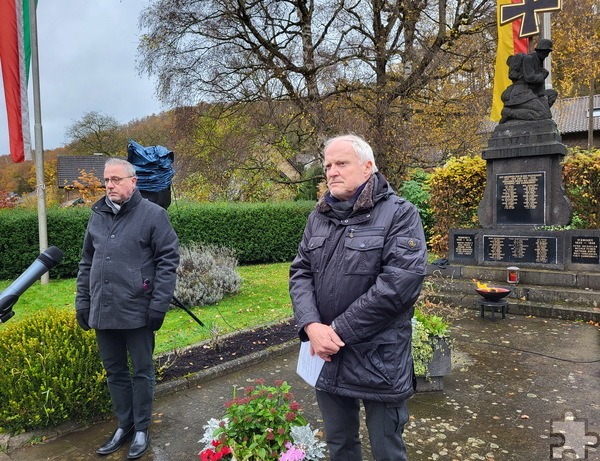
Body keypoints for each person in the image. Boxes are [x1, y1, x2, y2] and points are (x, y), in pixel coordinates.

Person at [289, 134, 427, 461]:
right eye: (327, 166)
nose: (332, 172)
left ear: (367, 168)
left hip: (378, 359)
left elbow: (400, 284)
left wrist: (335, 332)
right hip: (327, 358)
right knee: (340, 447)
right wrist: (310, 325)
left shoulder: (400, 214)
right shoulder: (319, 216)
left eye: (341, 163)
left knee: (387, 450)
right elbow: (301, 273)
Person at [75, 158, 179, 459]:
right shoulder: (98, 215)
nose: (109, 185)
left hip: (138, 311)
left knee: (142, 371)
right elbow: (86, 263)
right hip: (103, 310)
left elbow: (168, 261)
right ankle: (124, 426)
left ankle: (142, 428)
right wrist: (83, 301)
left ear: (133, 182)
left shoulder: (153, 215)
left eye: (116, 179)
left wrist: (158, 305)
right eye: (106, 180)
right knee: (115, 372)